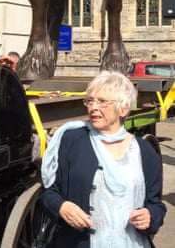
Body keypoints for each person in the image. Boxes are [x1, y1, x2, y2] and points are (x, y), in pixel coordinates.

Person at [40, 70, 166, 248]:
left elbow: (156, 205)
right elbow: (48, 192)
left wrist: (150, 216)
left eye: (102, 101)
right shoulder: (71, 140)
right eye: (90, 100)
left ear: (123, 108)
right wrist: (61, 207)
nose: (93, 107)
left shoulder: (144, 151)